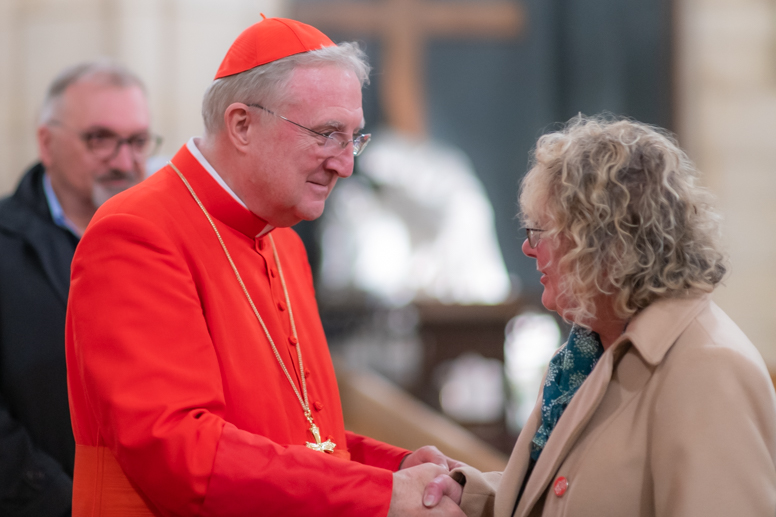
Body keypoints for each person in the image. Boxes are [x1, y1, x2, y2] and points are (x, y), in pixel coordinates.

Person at [66, 17, 465, 517]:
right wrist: (379, 496)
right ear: (241, 125)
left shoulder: (283, 242)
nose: (345, 164)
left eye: (353, 139)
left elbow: (303, 441)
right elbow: (178, 451)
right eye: (327, 134)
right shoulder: (136, 232)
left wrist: (396, 469)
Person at [423, 115, 776, 516]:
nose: (528, 249)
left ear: (602, 240)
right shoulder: (588, 352)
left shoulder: (708, 368)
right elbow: (575, 493)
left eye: (540, 231)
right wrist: (464, 495)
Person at [0, 61, 156, 517]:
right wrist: (68, 503)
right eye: (100, 139)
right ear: (47, 143)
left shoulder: (166, 241)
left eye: (138, 141)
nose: (125, 161)